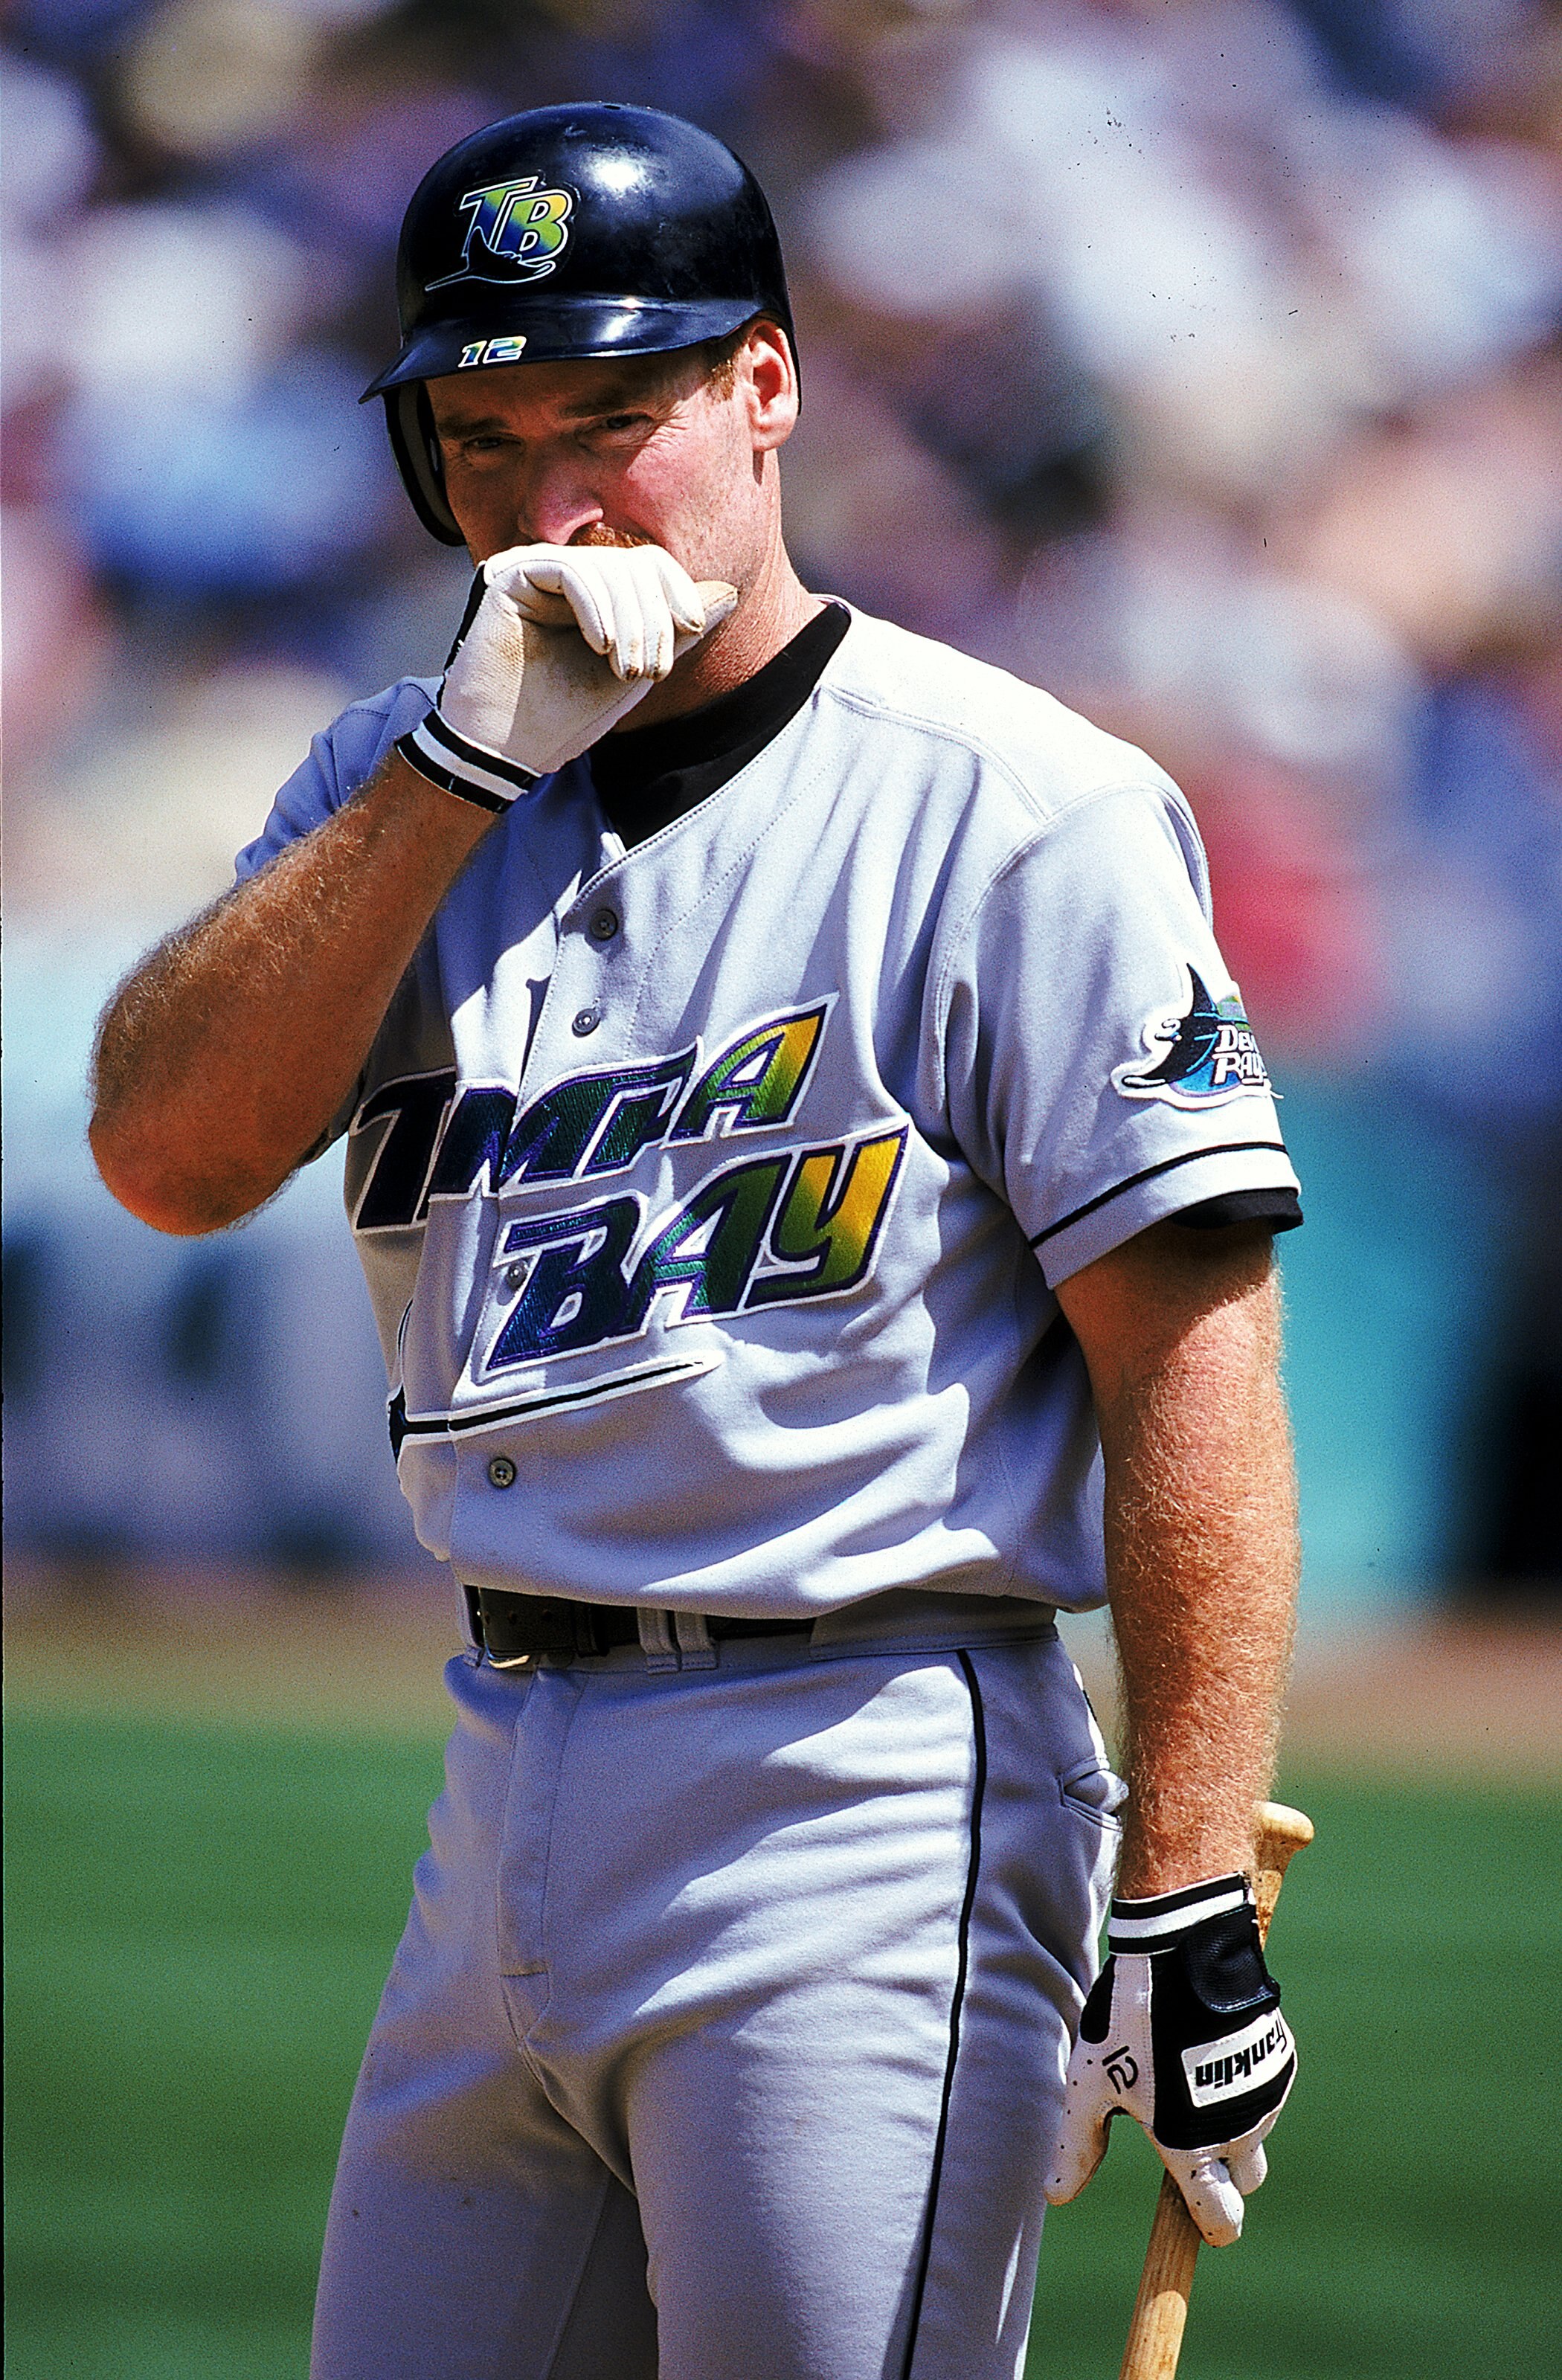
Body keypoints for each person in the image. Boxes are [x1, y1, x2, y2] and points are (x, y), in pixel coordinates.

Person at [89, 103, 1304, 2380]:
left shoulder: (1007, 804)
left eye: (611, 421)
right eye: (483, 433)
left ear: (763, 388)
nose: (550, 503)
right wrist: (444, 779)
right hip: (499, 1760)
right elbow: (168, 1151)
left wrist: (1188, 1878)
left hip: (860, 1771)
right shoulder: (395, 778)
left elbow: (1190, 1351)